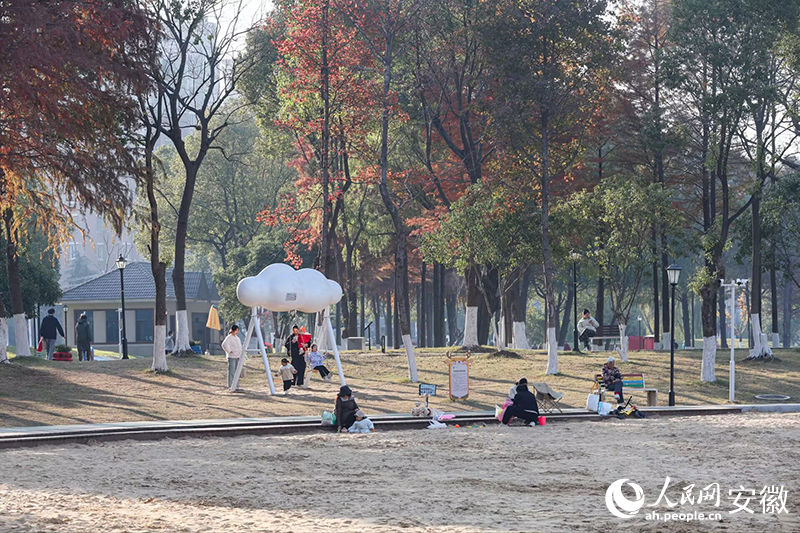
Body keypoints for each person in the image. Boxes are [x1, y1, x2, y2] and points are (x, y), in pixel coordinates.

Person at [221, 324, 243, 390]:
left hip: (237, 356)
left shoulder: (237, 338)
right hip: (232, 356)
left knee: (237, 372)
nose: (237, 332)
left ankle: (236, 385)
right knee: (231, 371)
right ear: (233, 330)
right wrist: (229, 351)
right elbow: (224, 344)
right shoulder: (229, 337)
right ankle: (231, 385)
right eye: (236, 330)